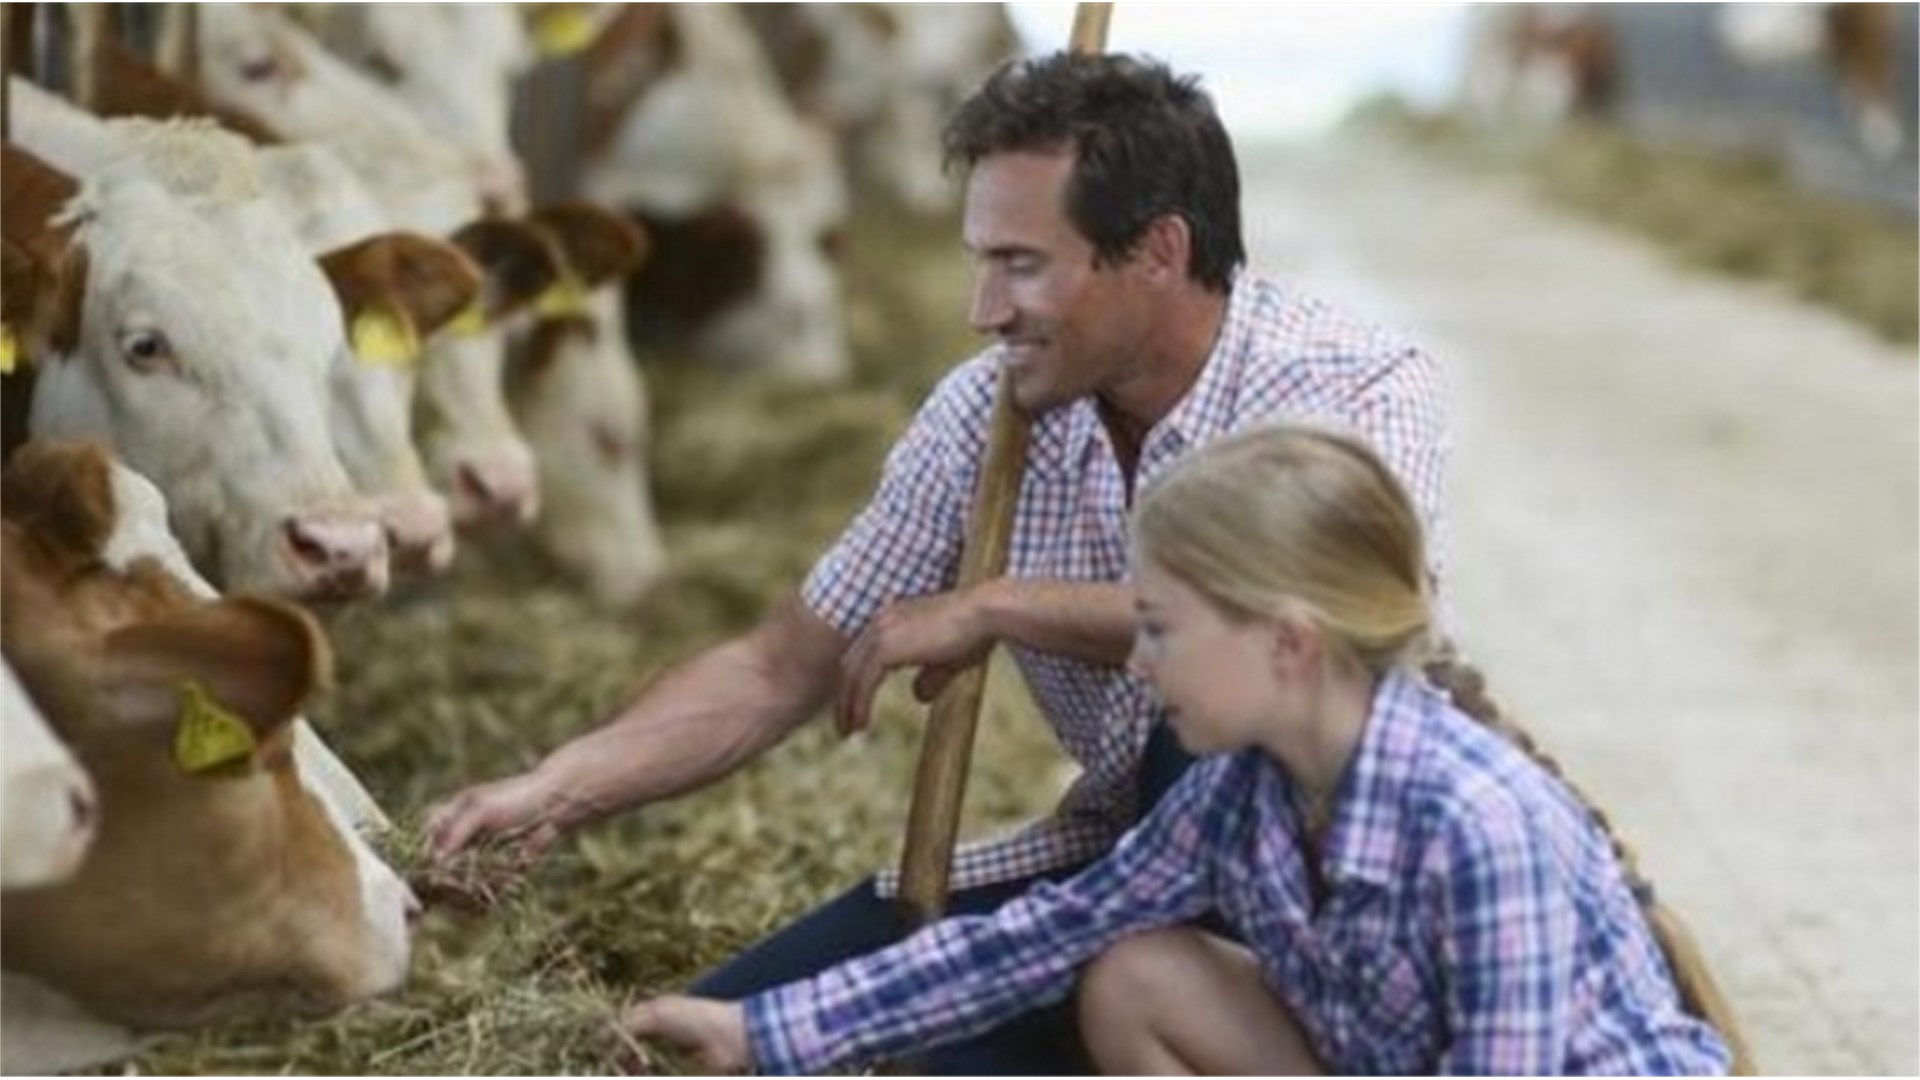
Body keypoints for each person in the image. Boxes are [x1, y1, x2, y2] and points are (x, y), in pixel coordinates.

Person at [427, 52, 1448, 1072]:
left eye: (1022, 264)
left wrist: (999, 606)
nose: (983, 310)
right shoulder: (987, 414)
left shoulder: (1343, 387)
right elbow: (780, 666)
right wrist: (556, 787)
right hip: (1117, 885)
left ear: (1158, 251)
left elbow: (1307, 624)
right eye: (978, 260)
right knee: (708, 1043)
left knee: (1221, 748)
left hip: (1333, 924)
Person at [623, 424, 1735, 1075]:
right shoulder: (1241, 798)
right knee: (1135, 967)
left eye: (1162, 629)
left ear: (1290, 643)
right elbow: (1033, 940)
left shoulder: (1478, 821)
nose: (1139, 663)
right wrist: (761, 1032)